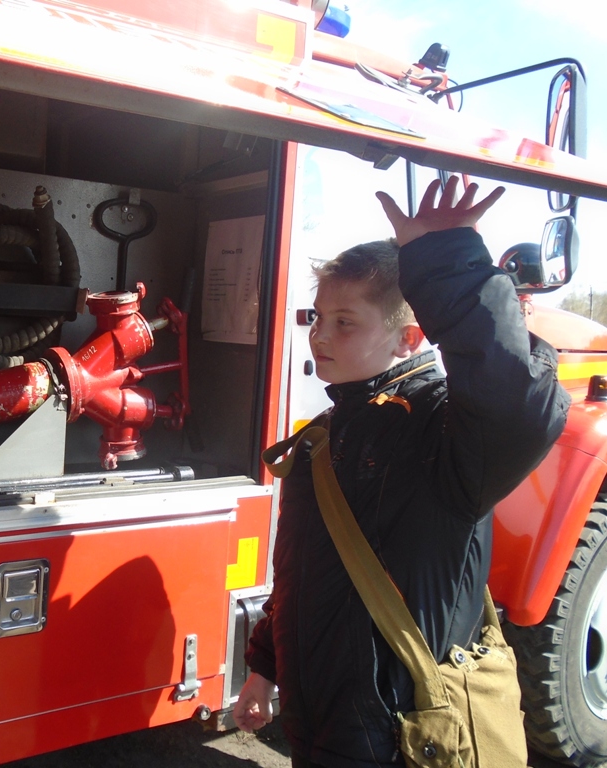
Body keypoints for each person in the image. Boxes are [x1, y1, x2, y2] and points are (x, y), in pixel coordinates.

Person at [233, 176, 568, 768]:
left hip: (407, 739)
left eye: (345, 322)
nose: (319, 335)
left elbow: (517, 403)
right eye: (317, 316)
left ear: (407, 338)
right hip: (321, 730)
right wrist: (264, 667)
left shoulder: (442, 429)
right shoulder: (322, 438)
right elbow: (300, 573)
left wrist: (448, 263)